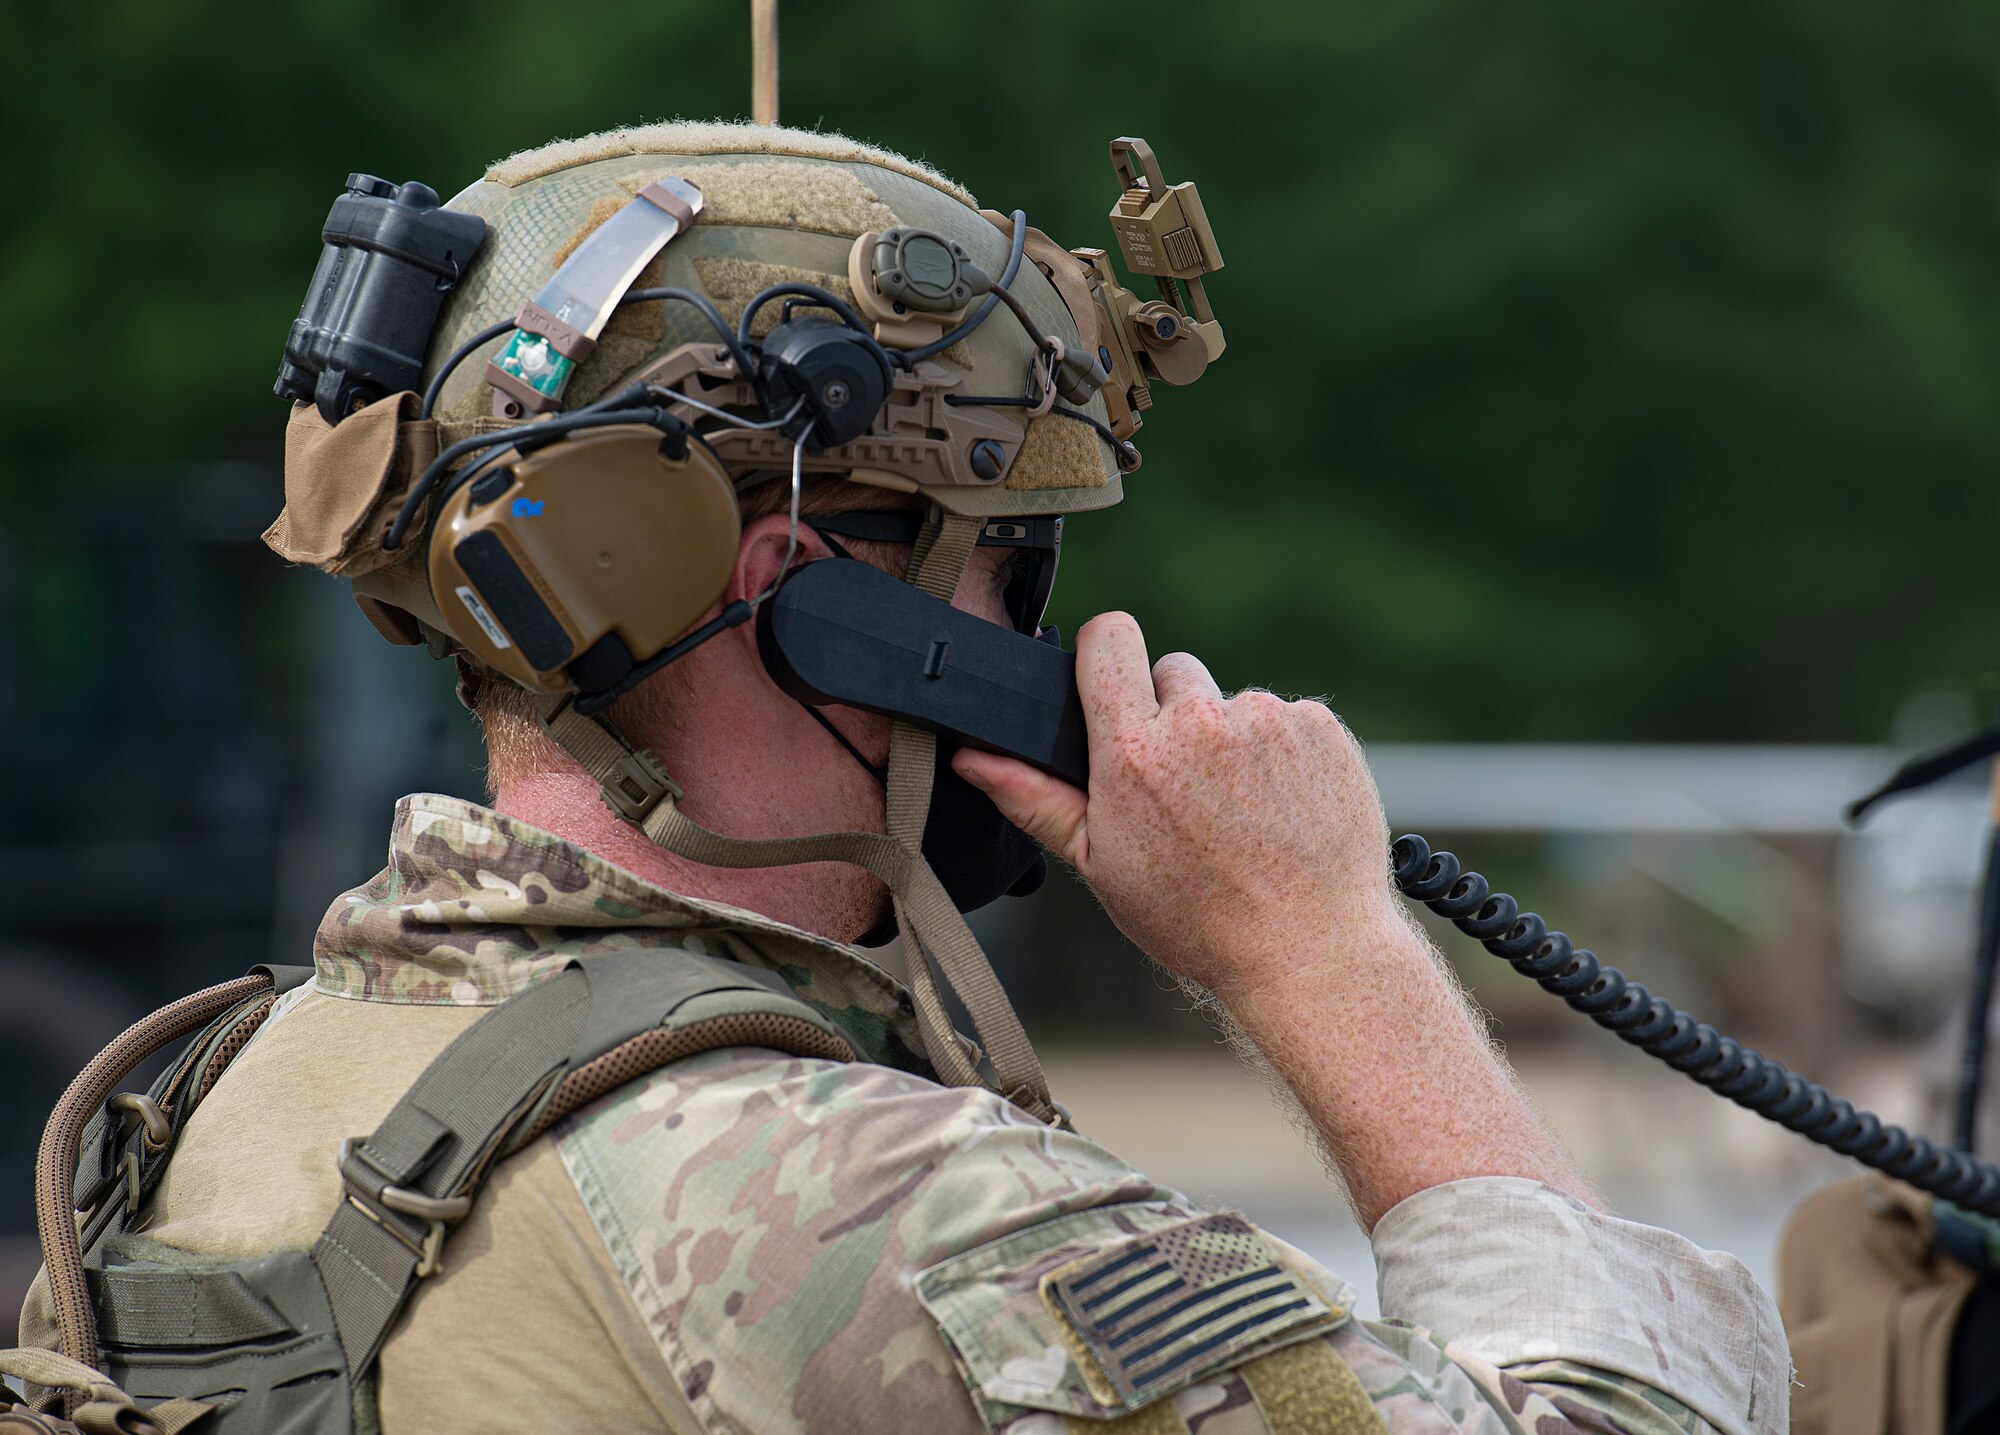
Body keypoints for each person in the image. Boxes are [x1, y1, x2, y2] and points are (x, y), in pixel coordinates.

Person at [17, 122, 1787, 1435]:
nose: (1033, 630)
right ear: (815, 603)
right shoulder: (848, 1198)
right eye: (1009, 564)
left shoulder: (207, 1103)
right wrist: (1326, 956)